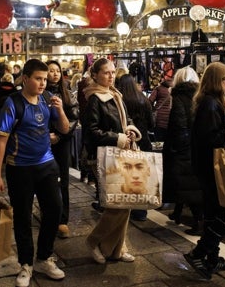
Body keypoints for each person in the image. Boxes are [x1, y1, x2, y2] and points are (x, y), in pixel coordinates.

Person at [0, 59, 70, 285]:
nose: (43, 83)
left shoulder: (47, 100)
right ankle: (26, 264)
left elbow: (64, 129)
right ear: (25, 79)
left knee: (55, 210)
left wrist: (60, 110)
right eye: (38, 78)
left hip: (47, 166)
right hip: (20, 169)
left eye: (45, 79)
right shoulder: (12, 103)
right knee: (23, 217)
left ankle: (44, 257)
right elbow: (1, 141)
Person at [183, 62, 225, 280]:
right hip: (214, 169)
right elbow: (212, 140)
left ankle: (212, 258)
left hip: (207, 167)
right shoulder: (211, 105)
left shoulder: (207, 103)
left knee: (213, 213)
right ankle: (199, 252)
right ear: (217, 82)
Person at [83, 58, 140, 265]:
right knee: (116, 206)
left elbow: (126, 120)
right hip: (106, 155)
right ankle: (94, 242)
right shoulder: (94, 98)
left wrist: (131, 130)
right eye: (106, 72)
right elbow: (92, 131)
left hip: (123, 153)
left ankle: (117, 249)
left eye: (113, 72)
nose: (110, 76)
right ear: (95, 75)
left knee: (126, 204)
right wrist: (118, 137)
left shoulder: (116, 94)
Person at [162, 66, 204, 235]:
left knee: (186, 185)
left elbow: (179, 127)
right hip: (197, 147)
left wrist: (179, 149)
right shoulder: (200, 97)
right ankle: (179, 212)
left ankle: (199, 222)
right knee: (191, 185)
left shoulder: (178, 98)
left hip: (183, 150)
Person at [46, 60, 80, 239]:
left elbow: (74, 117)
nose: (55, 74)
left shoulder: (67, 92)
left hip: (63, 141)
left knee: (63, 180)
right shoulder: (40, 93)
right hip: (43, 142)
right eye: (51, 71)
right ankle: (48, 214)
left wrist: (59, 135)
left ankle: (62, 220)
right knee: (46, 180)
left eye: (57, 71)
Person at [116, 73, 154, 222]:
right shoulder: (143, 99)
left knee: (126, 178)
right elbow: (152, 124)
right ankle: (141, 212)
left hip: (127, 144)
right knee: (141, 179)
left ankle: (126, 209)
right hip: (143, 142)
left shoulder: (120, 101)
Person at [148, 76, 172, 141]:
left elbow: (149, 101)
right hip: (171, 119)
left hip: (159, 119)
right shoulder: (175, 89)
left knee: (159, 142)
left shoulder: (159, 88)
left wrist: (153, 109)